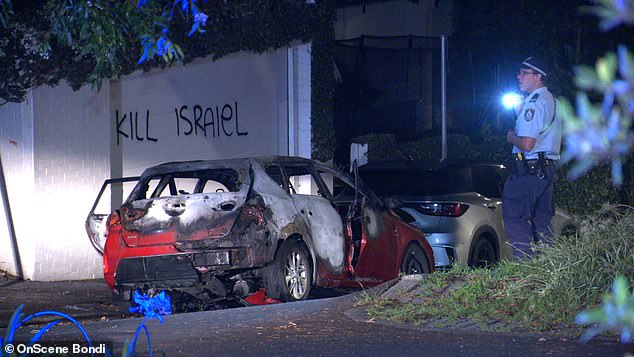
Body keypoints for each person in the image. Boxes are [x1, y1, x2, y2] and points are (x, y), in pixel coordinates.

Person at [502, 56, 562, 259]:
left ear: (538, 76)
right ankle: (551, 271)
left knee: (515, 217)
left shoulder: (533, 104)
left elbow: (527, 144)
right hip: (546, 171)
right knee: (542, 220)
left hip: (530, 171)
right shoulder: (552, 100)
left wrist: (511, 138)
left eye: (523, 73)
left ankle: (526, 270)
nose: (518, 76)